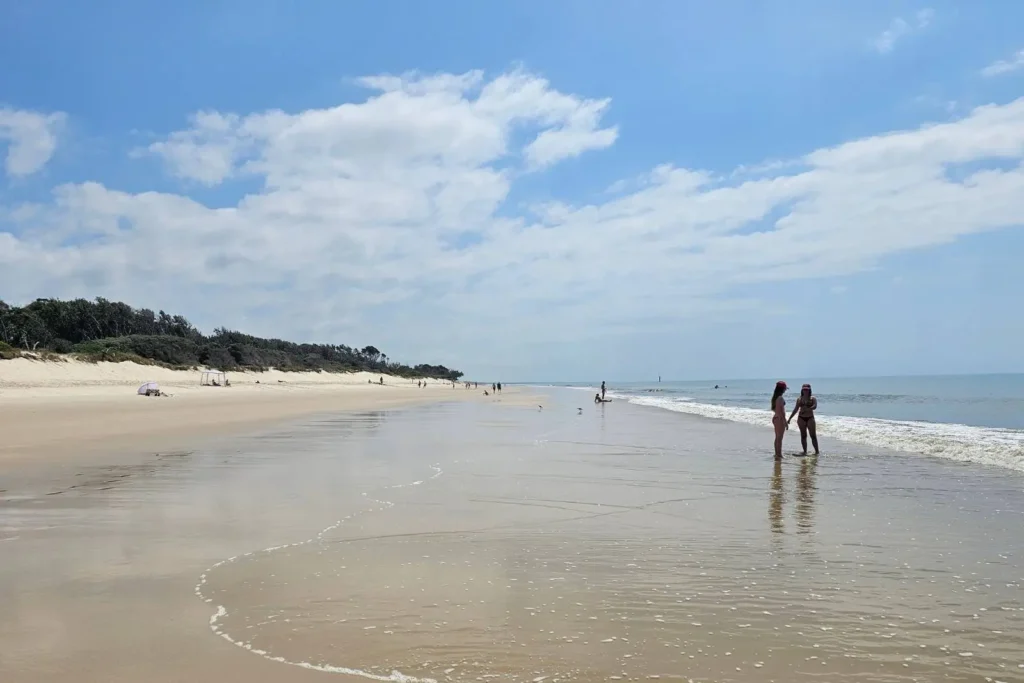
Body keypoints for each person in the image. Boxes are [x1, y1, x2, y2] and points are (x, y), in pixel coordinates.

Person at [788, 383, 820, 456]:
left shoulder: (813, 398)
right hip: (801, 418)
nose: (805, 391)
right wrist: (789, 418)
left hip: (810, 418)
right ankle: (805, 451)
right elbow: (796, 409)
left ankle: (817, 452)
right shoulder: (799, 399)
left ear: (809, 390)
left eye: (807, 390)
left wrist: (808, 408)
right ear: (802, 390)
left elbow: (815, 406)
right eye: (804, 389)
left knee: (813, 436)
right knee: (803, 435)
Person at [770, 380, 788, 460]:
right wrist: (785, 421)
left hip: (775, 418)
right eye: (785, 389)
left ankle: (776, 453)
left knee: (777, 437)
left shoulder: (774, 398)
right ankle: (779, 454)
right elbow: (782, 411)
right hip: (780, 419)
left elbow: (774, 409)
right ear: (782, 389)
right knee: (780, 438)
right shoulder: (780, 398)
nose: (785, 390)